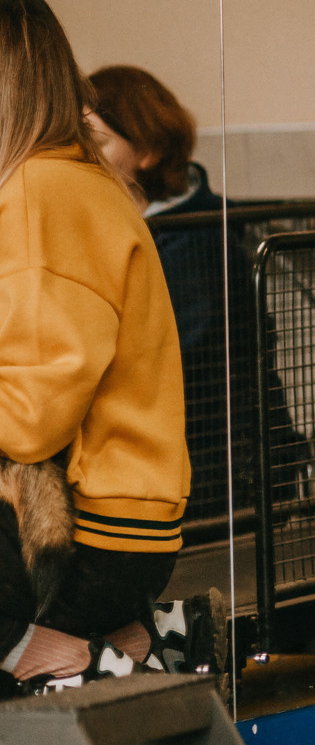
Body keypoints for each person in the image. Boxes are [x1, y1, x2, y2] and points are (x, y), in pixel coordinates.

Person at [0, 0, 208, 695]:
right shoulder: (89, 182)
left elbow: (32, 412)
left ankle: (66, 654)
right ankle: (128, 643)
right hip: (132, 528)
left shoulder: (36, 189)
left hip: (79, 533)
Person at [87, 65, 268, 526]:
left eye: (97, 141)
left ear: (146, 149)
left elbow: (177, 355)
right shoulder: (148, 222)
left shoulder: (198, 235)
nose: (83, 156)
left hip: (207, 466)